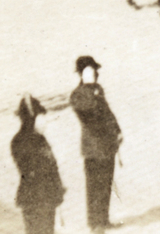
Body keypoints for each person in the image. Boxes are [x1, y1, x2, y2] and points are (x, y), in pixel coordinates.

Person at [70, 55, 122, 234]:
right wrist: (91, 89)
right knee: (94, 185)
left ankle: (104, 219)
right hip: (93, 147)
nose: (95, 73)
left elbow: (108, 112)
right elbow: (91, 116)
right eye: (90, 70)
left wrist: (117, 130)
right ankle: (95, 224)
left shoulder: (98, 89)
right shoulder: (78, 95)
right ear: (83, 73)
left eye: (94, 70)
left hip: (107, 145)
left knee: (106, 182)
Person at [11, 94, 64, 234]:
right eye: (41, 118)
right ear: (31, 119)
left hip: (46, 196)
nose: (45, 122)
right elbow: (32, 169)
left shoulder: (39, 138)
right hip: (34, 198)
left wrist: (57, 189)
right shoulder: (20, 141)